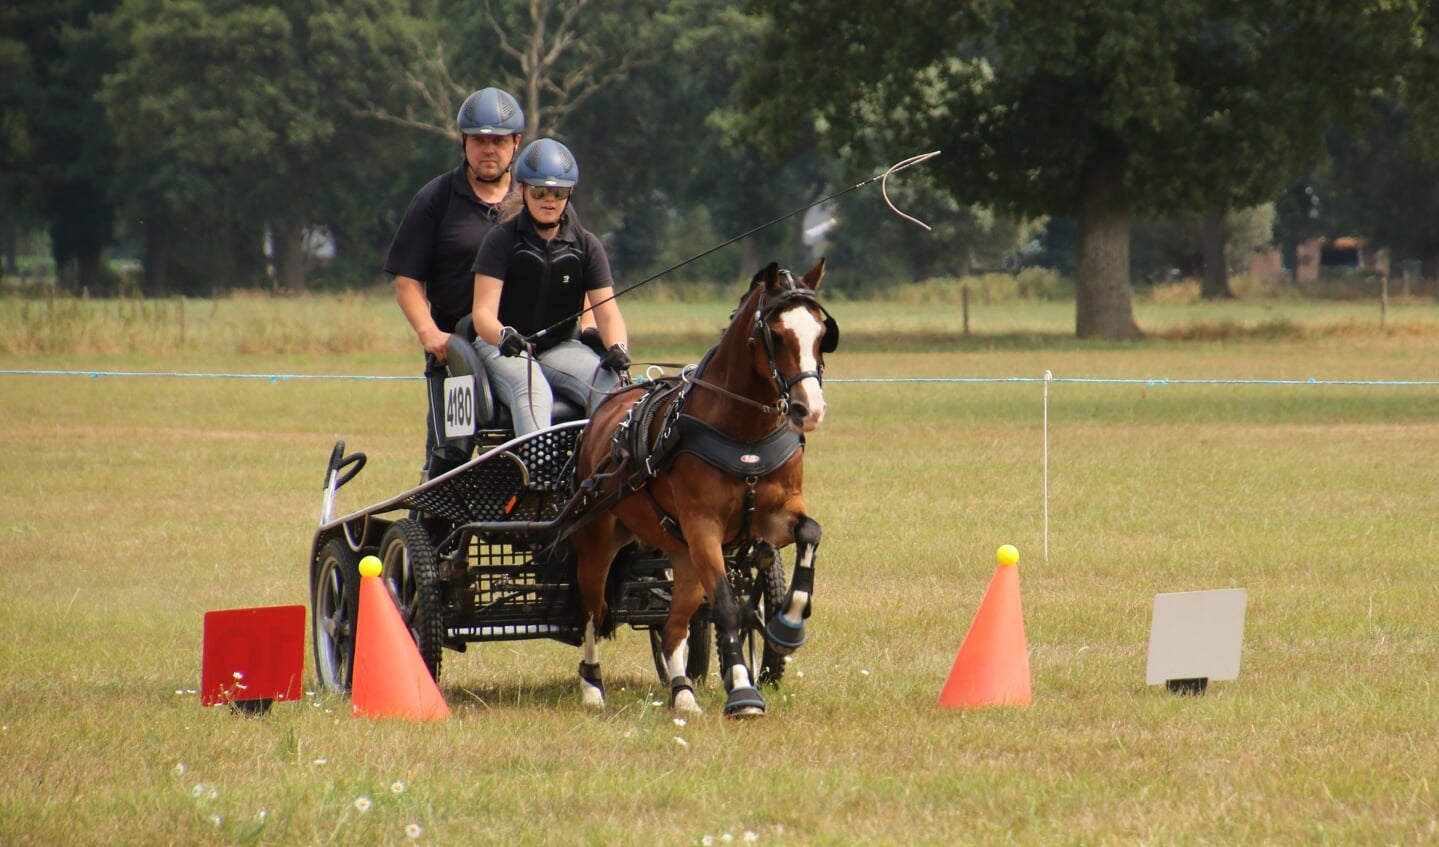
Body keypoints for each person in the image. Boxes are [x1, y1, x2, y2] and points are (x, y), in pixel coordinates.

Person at [383, 87, 524, 477]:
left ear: (517, 143)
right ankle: (430, 519)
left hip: (523, 345)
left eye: (498, 141)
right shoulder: (436, 198)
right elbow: (407, 281)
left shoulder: (538, 199)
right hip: (458, 353)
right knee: (450, 454)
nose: (488, 149)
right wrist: (430, 335)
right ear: (464, 141)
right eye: (479, 140)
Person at [470, 137, 630, 438]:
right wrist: (504, 335)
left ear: (569, 193)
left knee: (608, 384)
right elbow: (482, 314)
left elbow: (608, 314)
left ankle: (600, 473)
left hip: (561, 346)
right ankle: (537, 474)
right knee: (533, 389)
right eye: (539, 191)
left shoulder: (587, 246)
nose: (549, 200)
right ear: (523, 191)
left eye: (557, 193)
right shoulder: (500, 241)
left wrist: (618, 348)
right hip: (502, 346)